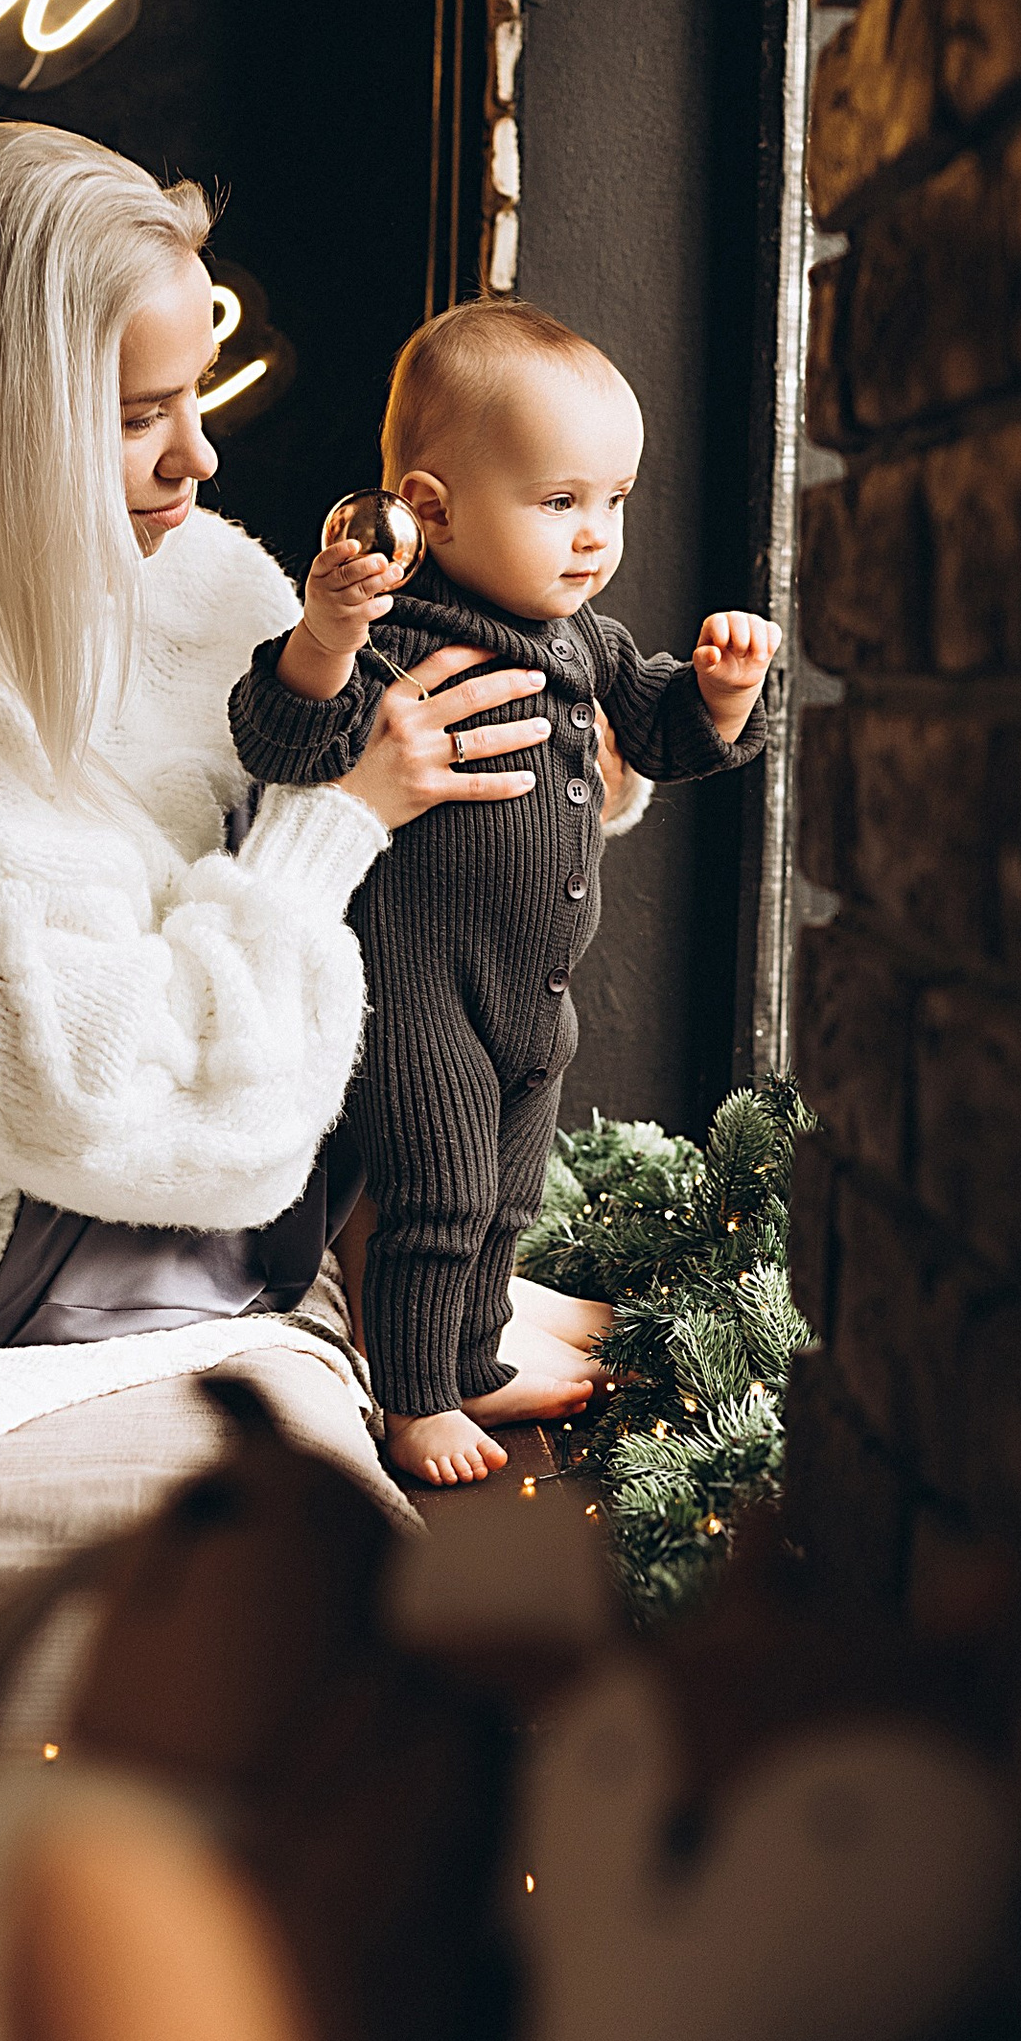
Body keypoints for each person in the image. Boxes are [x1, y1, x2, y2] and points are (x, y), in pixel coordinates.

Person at [0, 124, 565, 1368]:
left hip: (89, 1135)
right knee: (344, 871)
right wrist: (336, 825)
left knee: (407, 873)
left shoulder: (174, 559)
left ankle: (442, 1281)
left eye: (198, 394)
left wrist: (550, 756)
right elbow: (131, 1112)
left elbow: (362, 736)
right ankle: (419, 1310)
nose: (199, 454)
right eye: (143, 414)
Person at [228, 298, 780, 1488]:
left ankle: (471, 1353)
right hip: (417, 985)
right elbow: (284, 735)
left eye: (613, 502)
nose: (594, 538)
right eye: (558, 502)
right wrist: (324, 634)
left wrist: (722, 698)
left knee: (506, 1192)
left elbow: (664, 729)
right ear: (428, 507)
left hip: (535, 987)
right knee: (437, 1191)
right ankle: (413, 1397)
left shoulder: (586, 639)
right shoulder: (395, 634)